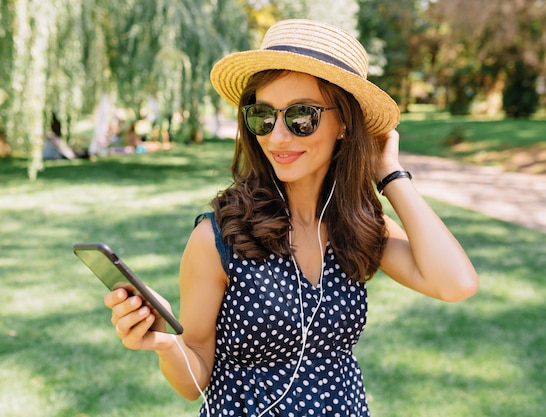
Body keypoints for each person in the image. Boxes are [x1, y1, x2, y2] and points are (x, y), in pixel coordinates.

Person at [105, 19, 479, 416]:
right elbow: (193, 379)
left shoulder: (355, 225)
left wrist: (389, 174)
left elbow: (455, 284)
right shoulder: (219, 236)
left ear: (344, 124)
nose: (278, 136)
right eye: (263, 117)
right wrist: (165, 342)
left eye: (302, 117)